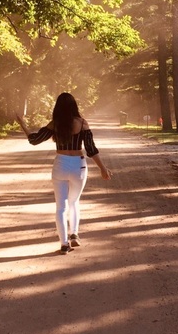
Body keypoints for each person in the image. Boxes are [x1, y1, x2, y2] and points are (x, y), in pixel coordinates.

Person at [16, 93, 112, 254]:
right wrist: (103, 168)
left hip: (61, 164)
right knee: (74, 202)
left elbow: (34, 140)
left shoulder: (55, 124)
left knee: (61, 206)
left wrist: (23, 124)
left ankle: (64, 244)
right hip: (78, 165)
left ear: (58, 107)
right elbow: (91, 149)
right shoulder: (82, 123)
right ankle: (74, 234)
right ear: (74, 106)